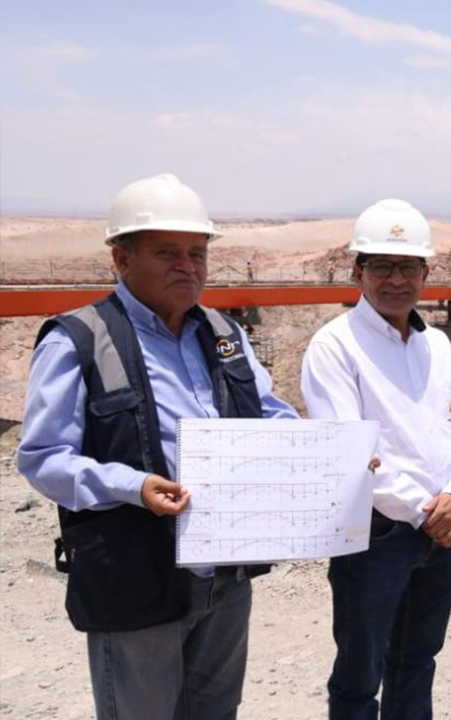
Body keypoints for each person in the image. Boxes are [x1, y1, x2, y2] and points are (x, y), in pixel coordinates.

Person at [16, 173, 298, 719]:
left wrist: (328, 453)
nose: (187, 266)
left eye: (197, 253)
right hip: (134, 577)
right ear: (121, 259)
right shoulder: (78, 339)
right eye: (167, 252)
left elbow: (270, 415)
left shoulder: (224, 334)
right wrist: (133, 486)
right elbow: (43, 457)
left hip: (224, 578)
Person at [301, 198, 451, 720]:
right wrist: (428, 513)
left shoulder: (437, 346)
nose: (396, 280)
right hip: (375, 537)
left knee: (417, 663)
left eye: (408, 267)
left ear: (427, 273)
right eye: (382, 266)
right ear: (357, 271)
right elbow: (350, 453)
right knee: (359, 678)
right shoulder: (335, 346)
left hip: (443, 531)